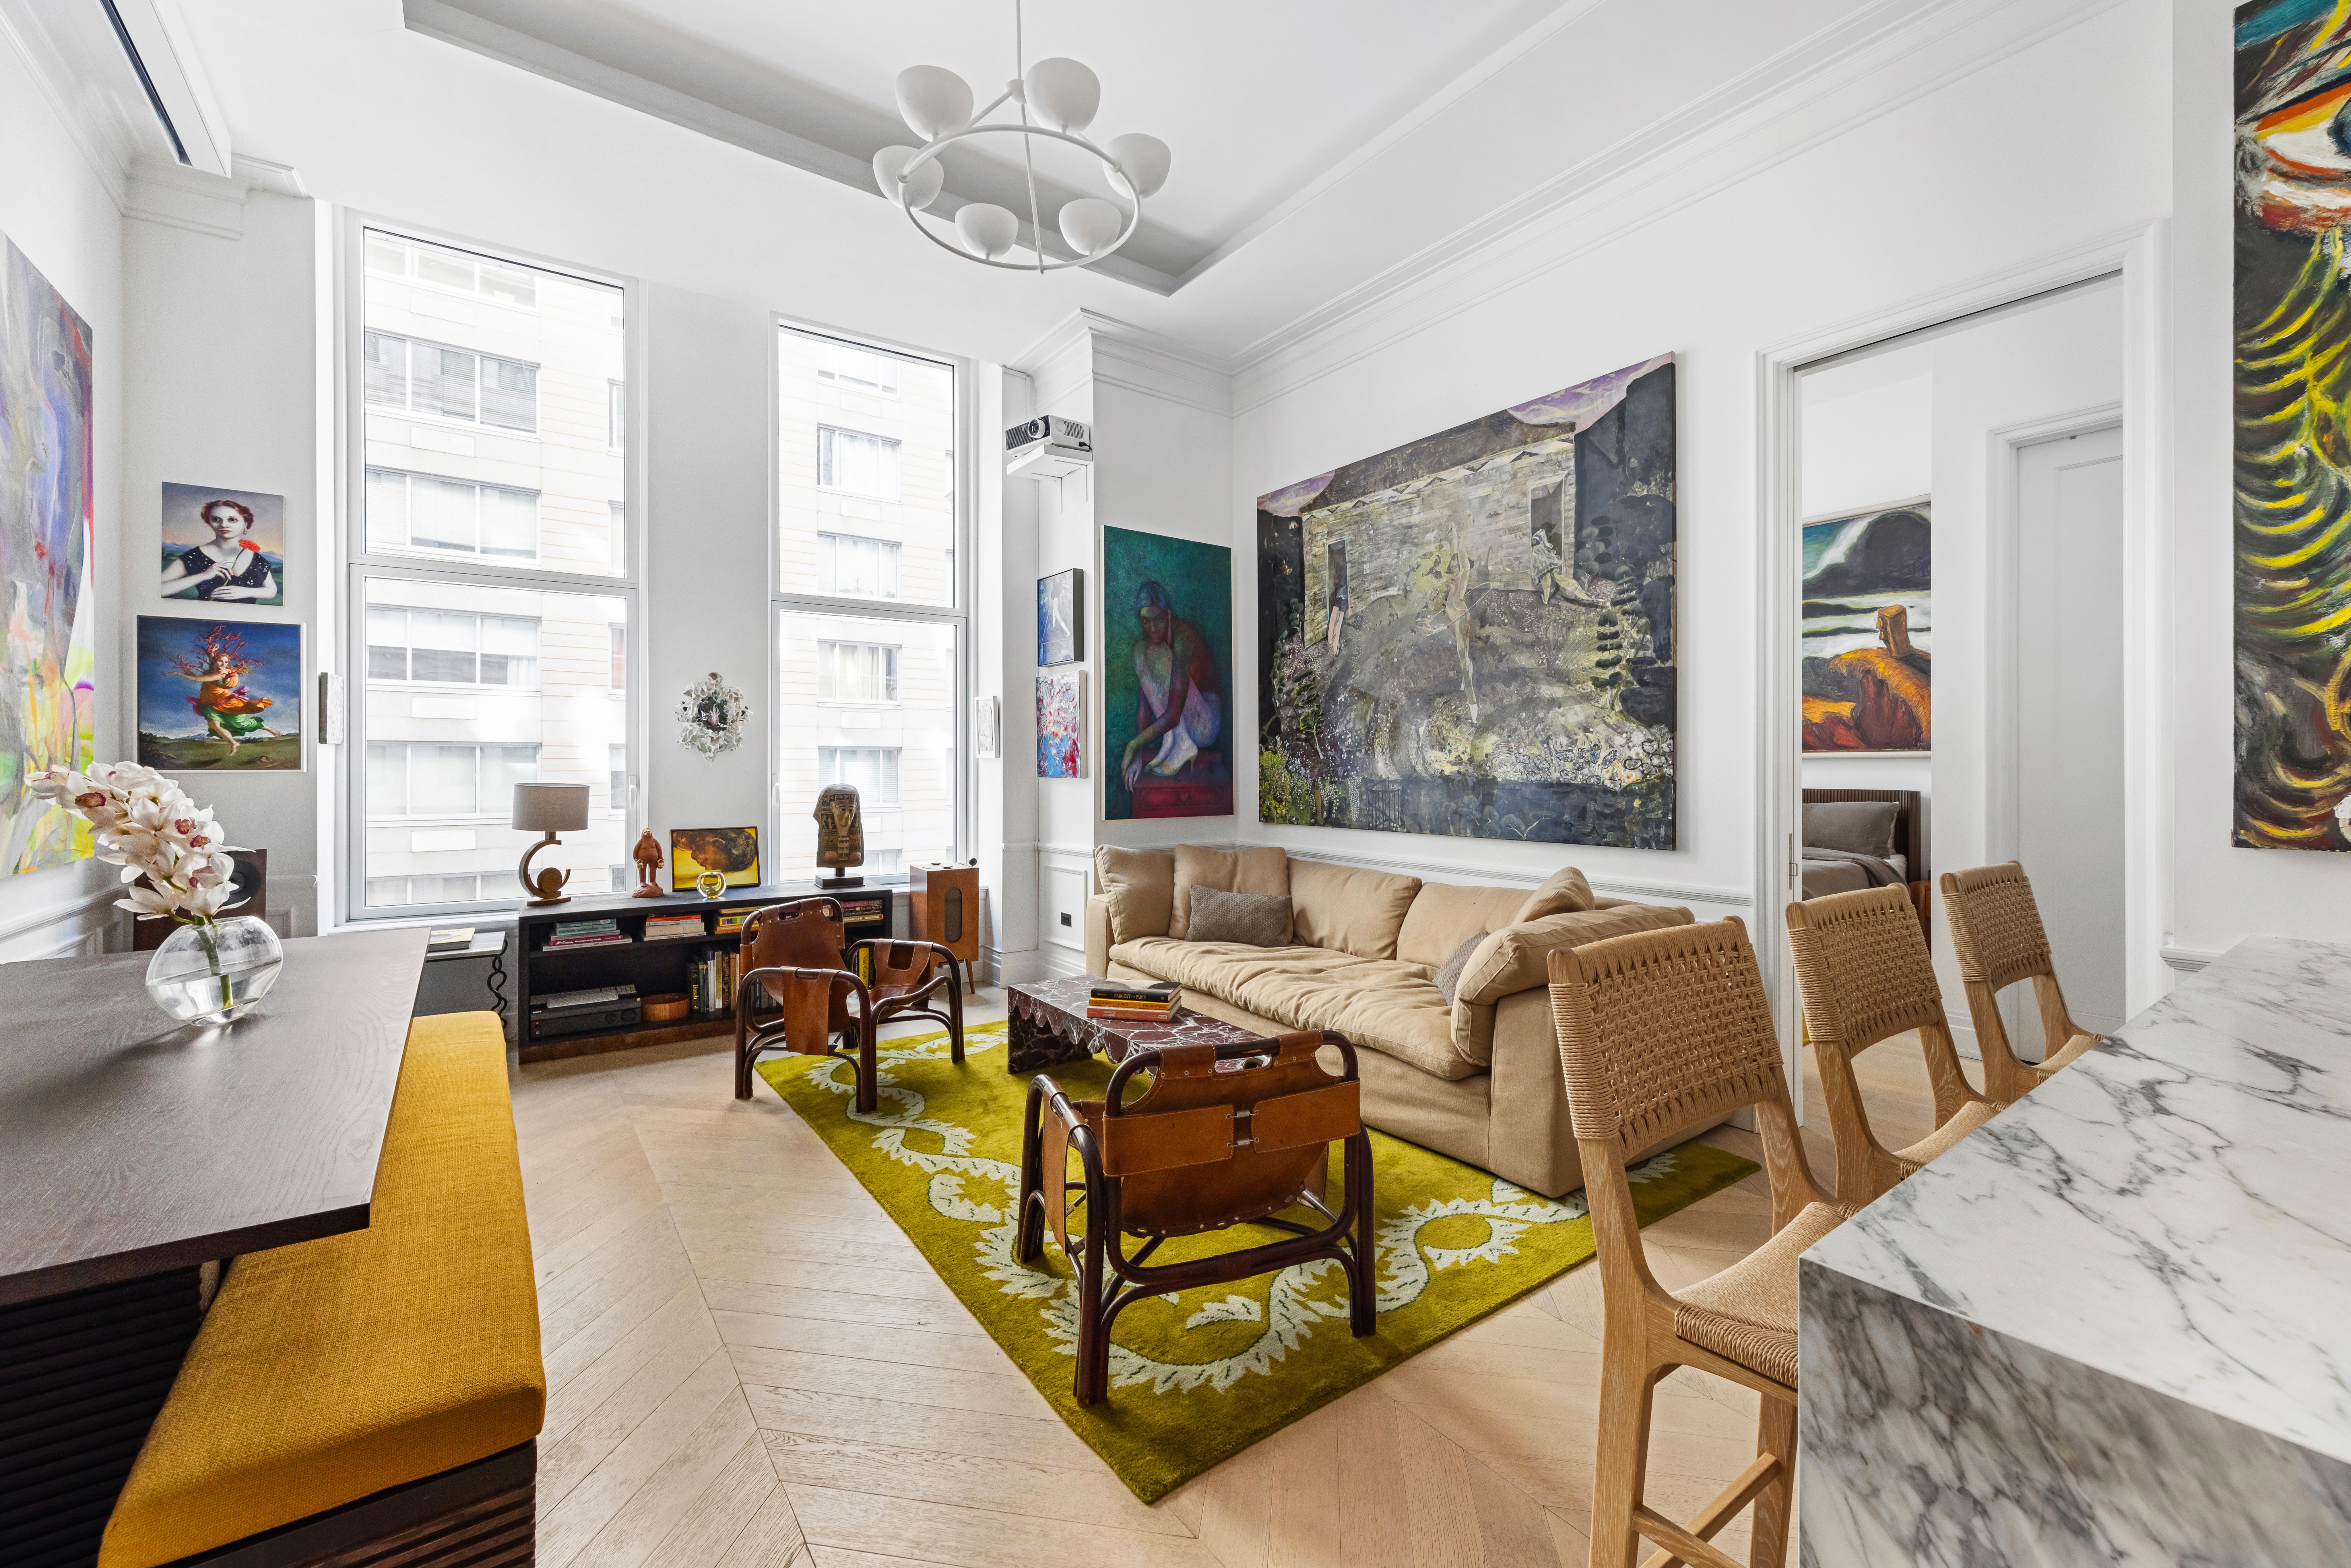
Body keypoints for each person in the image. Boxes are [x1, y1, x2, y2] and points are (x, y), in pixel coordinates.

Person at [1120, 581, 1223, 792]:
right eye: (1145, 621)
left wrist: (1134, 745)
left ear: (1168, 614)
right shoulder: (1148, 645)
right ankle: (1171, 739)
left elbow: (1175, 713)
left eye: (1158, 620)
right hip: (1182, 722)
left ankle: (1183, 743)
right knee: (1139, 650)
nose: (1153, 629)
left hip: (1206, 723)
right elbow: (1146, 701)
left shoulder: (1182, 636)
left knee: (1154, 651)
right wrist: (1139, 755)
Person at [160, 499, 277, 602]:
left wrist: (245, 592)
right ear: (210, 523)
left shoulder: (256, 557)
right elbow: (158, 590)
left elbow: (271, 591)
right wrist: (204, 576)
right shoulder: (195, 556)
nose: (224, 525)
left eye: (232, 520)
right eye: (216, 519)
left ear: (245, 524)